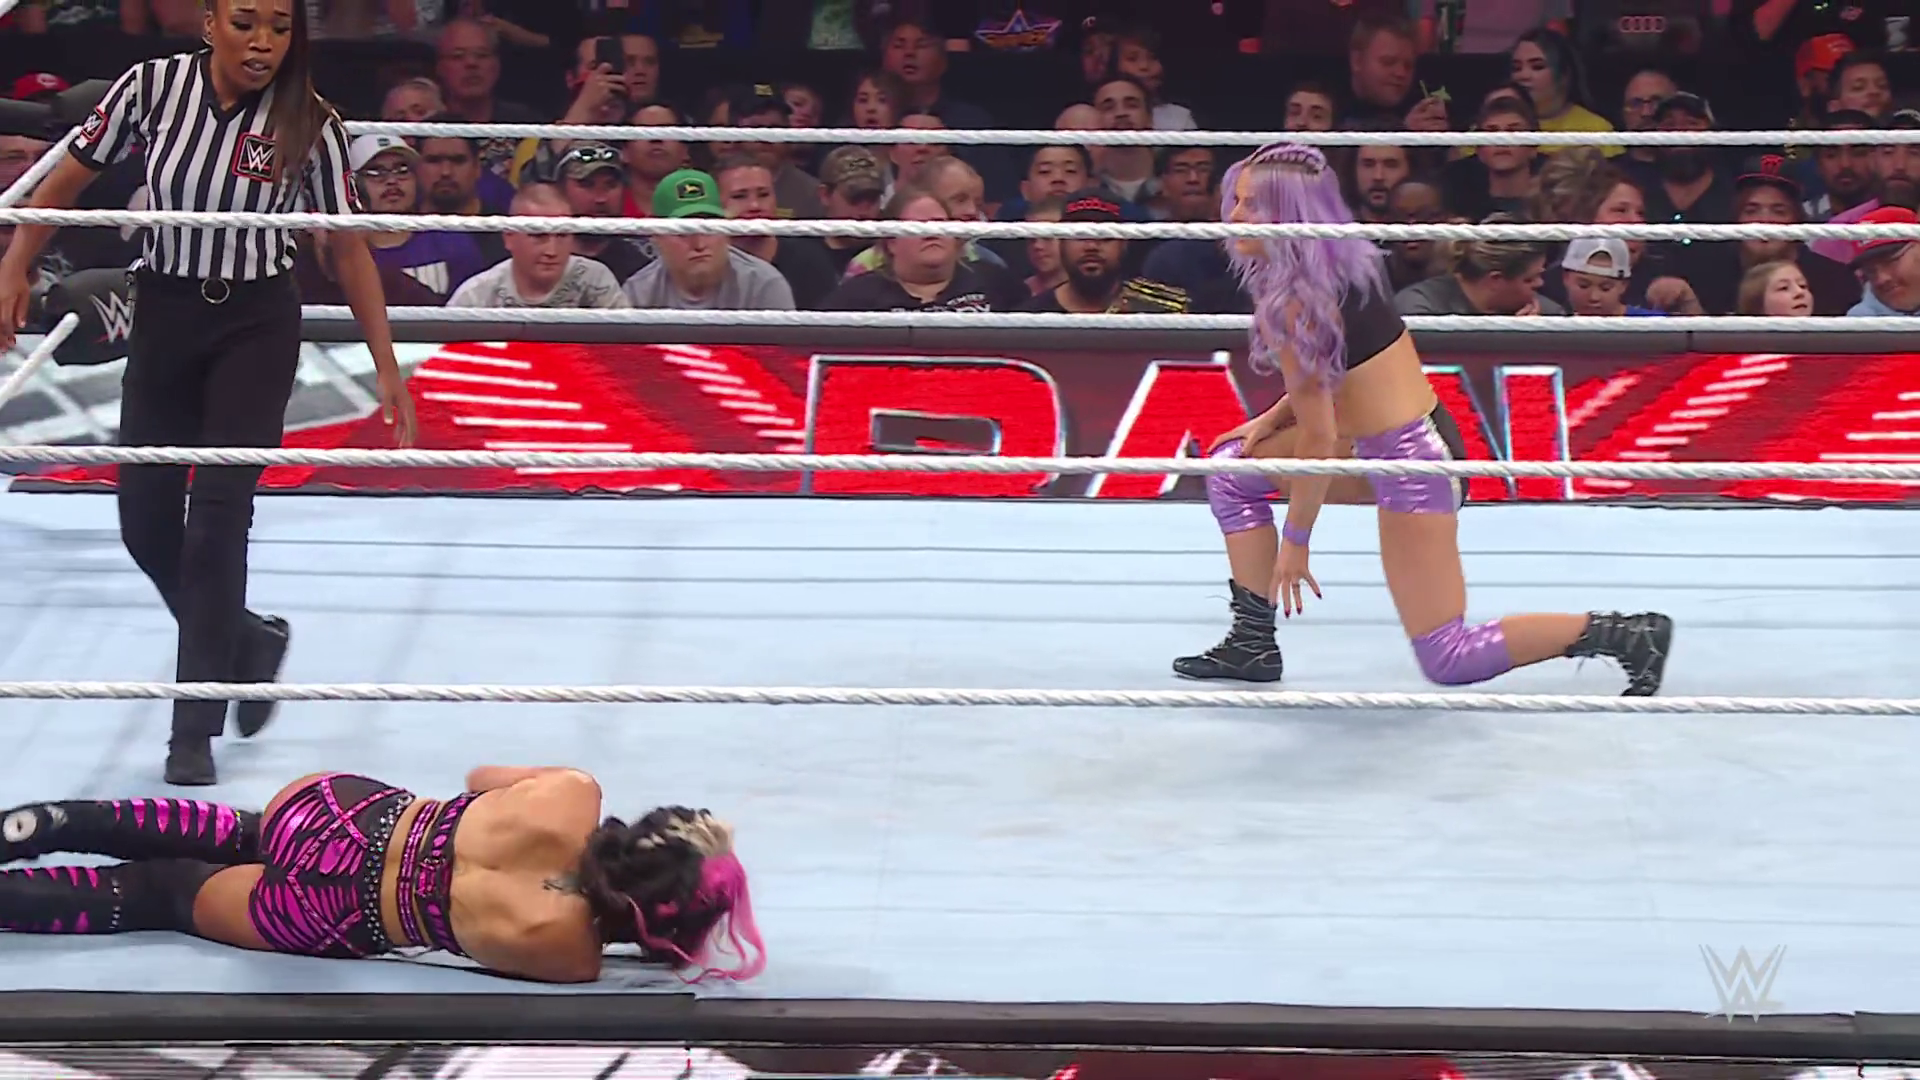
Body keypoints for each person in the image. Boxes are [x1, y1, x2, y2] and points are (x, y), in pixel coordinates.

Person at [0, 0, 418, 787]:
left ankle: (191, 730)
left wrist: (385, 362)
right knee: (144, 520)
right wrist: (15, 263)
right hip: (167, 312)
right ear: (210, 24)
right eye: (246, 23)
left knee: (219, 524)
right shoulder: (150, 87)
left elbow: (349, 248)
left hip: (256, 325)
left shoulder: (310, 121)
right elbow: (69, 175)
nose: (263, 43)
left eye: (280, 28)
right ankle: (247, 641)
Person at [1173, 143, 1672, 696]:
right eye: (1237, 200)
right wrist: (1268, 420)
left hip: (1414, 464)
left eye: (1255, 205)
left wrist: (1296, 539)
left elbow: (1318, 435)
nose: (1236, 215)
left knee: (1448, 656)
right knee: (1230, 469)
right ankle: (1251, 642)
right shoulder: (1334, 266)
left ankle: (1625, 634)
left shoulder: (1300, 302)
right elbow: (1337, 377)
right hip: (1388, 443)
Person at [0, 768, 764, 984]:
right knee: (158, 894)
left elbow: (480, 778)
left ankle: (49, 821)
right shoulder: (569, 952)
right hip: (340, 909)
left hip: (344, 814)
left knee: (237, 831)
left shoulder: (573, 792)